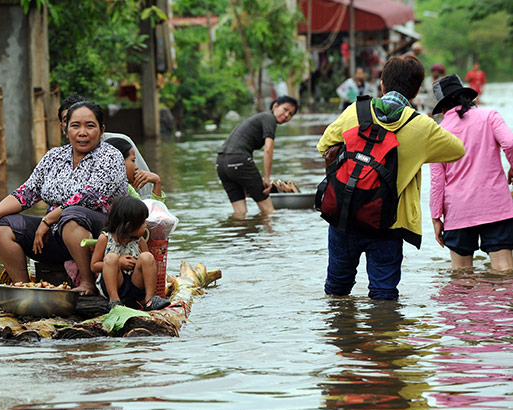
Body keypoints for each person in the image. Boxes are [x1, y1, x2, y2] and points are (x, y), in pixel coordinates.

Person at [317, 54, 465, 300]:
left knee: (336, 290)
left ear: (382, 83)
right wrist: (417, 153)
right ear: (417, 91)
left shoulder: (356, 110)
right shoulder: (423, 127)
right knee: (384, 294)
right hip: (390, 220)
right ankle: (384, 334)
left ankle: (341, 335)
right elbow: (457, 150)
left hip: (345, 213)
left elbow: (324, 145)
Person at [0, 101, 127, 295]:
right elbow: (27, 192)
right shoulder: (54, 156)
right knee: (5, 225)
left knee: (72, 215)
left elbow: (90, 197)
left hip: (100, 237)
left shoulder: (111, 156)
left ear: (102, 130)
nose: (82, 132)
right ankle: (25, 289)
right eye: (75, 126)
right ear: (65, 129)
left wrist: (49, 219)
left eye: (90, 126)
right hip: (58, 235)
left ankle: (87, 283)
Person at [430, 74, 513, 271]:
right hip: (495, 206)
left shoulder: (438, 133)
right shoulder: (489, 116)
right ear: (467, 98)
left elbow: (436, 181)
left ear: (442, 108)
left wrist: (436, 217)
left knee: (461, 277)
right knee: (504, 271)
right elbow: (509, 143)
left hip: (458, 211)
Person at [58, 93, 155, 199]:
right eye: (70, 122)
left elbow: (143, 184)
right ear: (64, 127)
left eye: (87, 123)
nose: (81, 131)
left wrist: (146, 206)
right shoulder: (58, 157)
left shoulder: (119, 143)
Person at [216, 95, 298, 217]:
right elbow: (268, 149)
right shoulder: (269, 118)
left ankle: (237, 235)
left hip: (221, 163)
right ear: (275, 105)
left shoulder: (260, 118)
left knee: (240, 212)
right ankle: (270, 236)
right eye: (285, 109)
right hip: (238, 161)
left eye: (291, 114)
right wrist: (266, 178)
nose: (287, 115)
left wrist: (244, 180)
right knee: (269, 211)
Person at [90, 196, 170, 311]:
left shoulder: (140, 240)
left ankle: (150, 299)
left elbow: (148, 264)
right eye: (142, 223)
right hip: (115, 283)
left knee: (147, 257)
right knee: (111, 258)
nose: (145, 226)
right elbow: (94, 266)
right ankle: (114, 301)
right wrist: (119, 263)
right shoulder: (105, 238)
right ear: (128, 225)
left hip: (135, 285)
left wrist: (136, 262)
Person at [104, 136, 166, 203]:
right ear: (119, 161)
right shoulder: (121, 191)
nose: (136, 167)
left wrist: (157, 183)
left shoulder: (127, 188)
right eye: (133, 160)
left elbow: (151, 211)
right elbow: (152, 212)